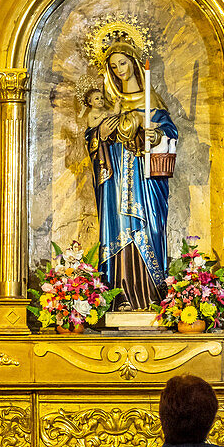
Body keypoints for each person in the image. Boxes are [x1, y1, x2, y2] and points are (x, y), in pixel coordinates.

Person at [84, 39, 178, 310]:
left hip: (145, 180)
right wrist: (99, 136)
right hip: (116, 181)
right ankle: (120, 295)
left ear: (135, 63)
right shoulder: (111, 103)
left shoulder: (153, 101)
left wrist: (156, 134)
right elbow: (94, 140)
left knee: (149, 227)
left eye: (122, 63)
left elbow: (170, 135)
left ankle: (151, 295)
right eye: (113, 67)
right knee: (119, 228)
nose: (119, 71)